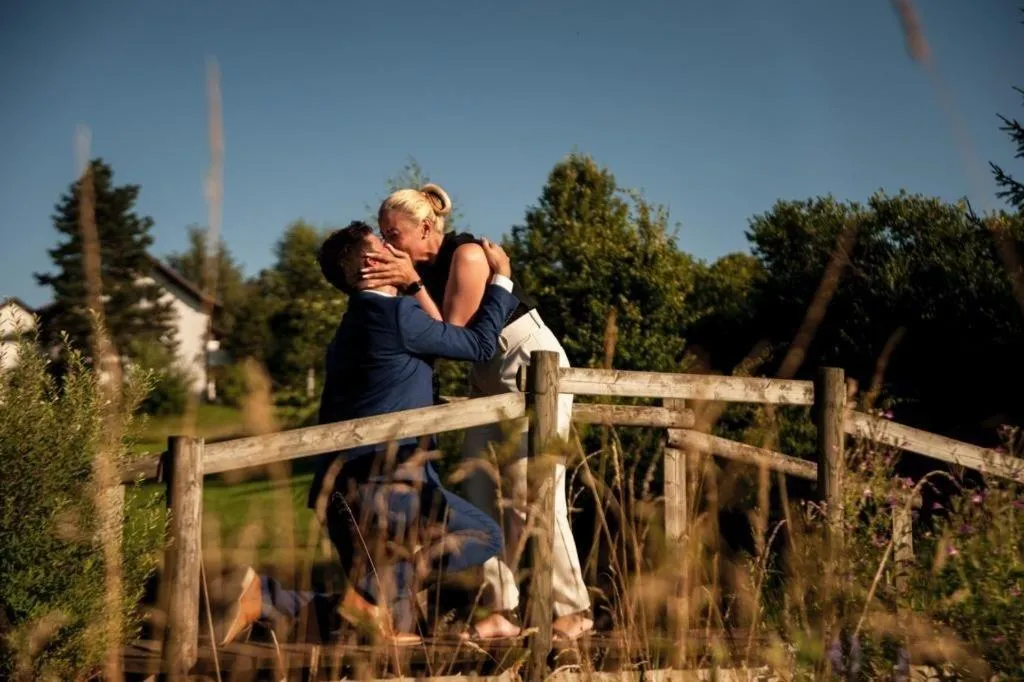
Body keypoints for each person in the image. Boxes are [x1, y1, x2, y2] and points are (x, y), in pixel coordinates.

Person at [219, 221, 524, 646]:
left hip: (344, 493)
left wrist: (415, 283)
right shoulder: (397, 316)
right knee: (483, 534)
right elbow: (476, 346)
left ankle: (267, 599)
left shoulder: (357, 322)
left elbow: (440, 337)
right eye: (383, 244)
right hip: (388, 488)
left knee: (386, 630)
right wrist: (502, 278)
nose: (393, 247)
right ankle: (364, 596)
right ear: (371, 261)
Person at [360, 184, 593, 642]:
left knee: (533, 491)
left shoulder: (467, 255)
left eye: (394, 233)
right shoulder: (420, 270)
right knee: (480, 488)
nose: (387, 243)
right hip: (486, 375)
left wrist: (409, 283)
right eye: (383, 234)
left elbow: (452, 335)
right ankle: (500, 608)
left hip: (529, 366)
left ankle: (575, 609)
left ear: (427, 227)